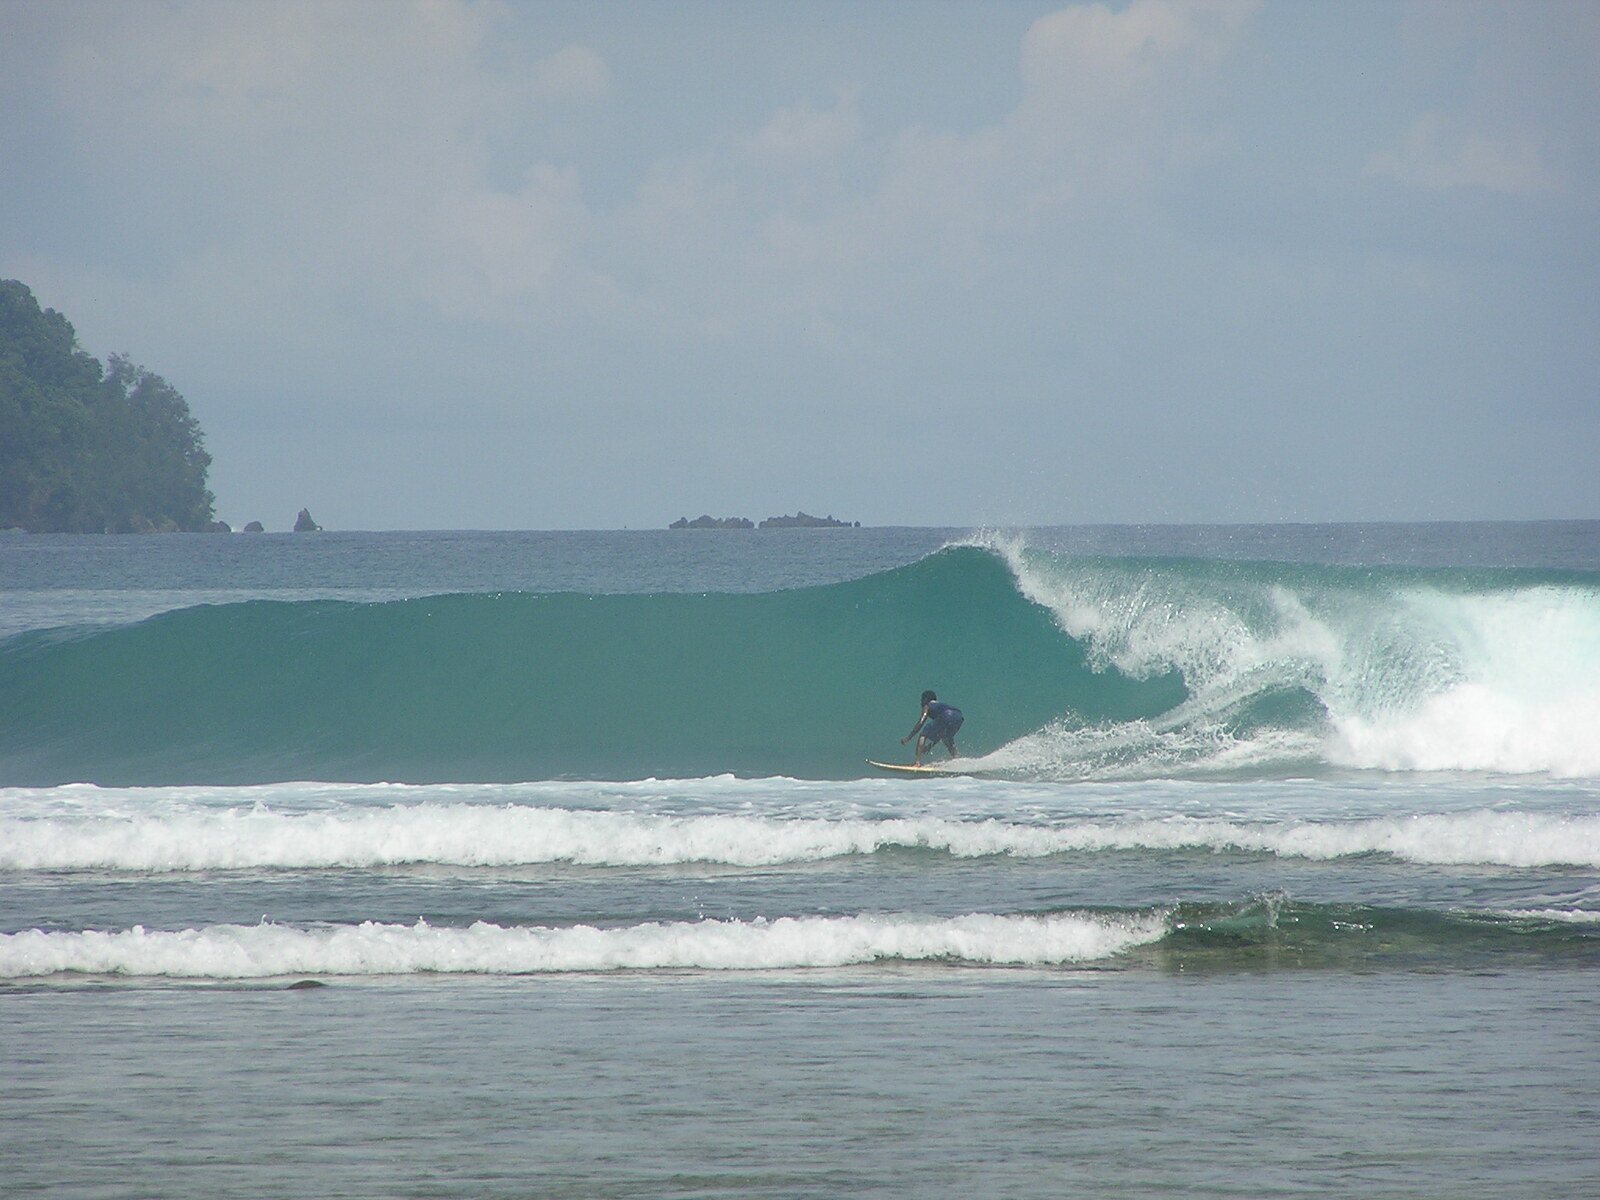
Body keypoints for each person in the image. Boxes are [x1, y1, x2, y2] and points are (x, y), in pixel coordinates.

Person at [901, 689, 963, 765]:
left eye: (921, 700)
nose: (921, 702)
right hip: (959, 716)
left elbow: (921, 722)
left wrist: (908, 738)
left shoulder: (927, 706)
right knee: (946, 737)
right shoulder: (940, 706)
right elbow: (939, 734)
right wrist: (930, 746)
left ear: (925, 699)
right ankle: (956, 759)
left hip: (946, 715)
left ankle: (917, 762)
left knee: (924, 733)